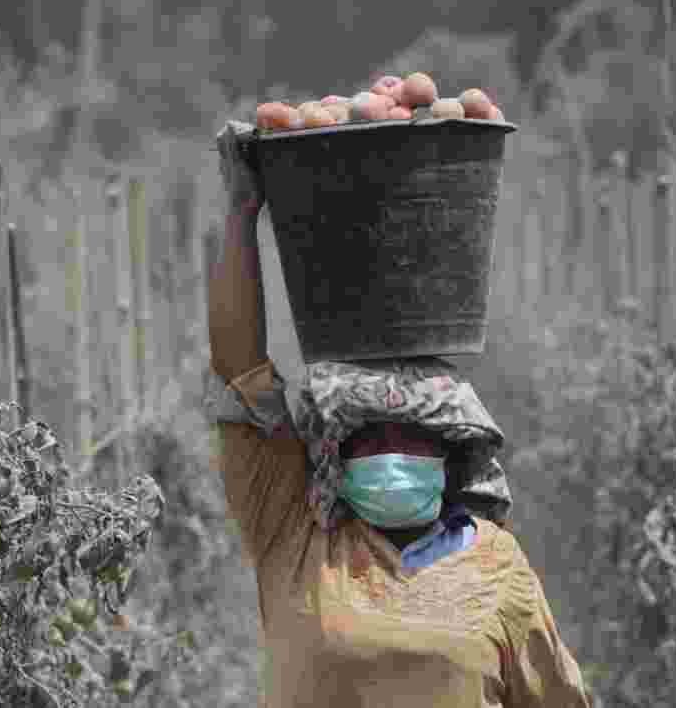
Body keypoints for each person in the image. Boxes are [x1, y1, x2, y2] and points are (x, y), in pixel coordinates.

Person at [205, 120, 590, 708]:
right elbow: (241, 375)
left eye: (412, 437)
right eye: (367, 438)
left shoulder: (496, 566)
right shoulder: (297, 536)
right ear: (334, 455)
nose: (390, 453)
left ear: (448, 452)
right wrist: (242, 209)